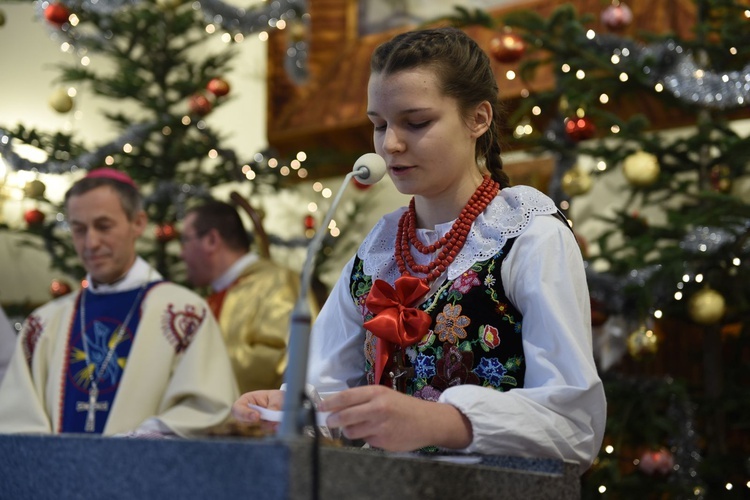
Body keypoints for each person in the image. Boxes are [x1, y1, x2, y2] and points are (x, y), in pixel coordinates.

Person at [232, 26, 606, 472]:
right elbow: (327, 388)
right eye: (379, 125)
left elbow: (574, 424)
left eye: (416, 122)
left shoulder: (527, 236)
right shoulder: (379, 250)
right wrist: (290, 408)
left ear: (478, 118)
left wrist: (443, 422)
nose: (390, 144)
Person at [0, 169, 238, 436]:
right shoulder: (45, 323)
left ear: (137, 223)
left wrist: (127, 448)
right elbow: (16, 421)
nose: (91, 242)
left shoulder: (184, 313)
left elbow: (206, 410)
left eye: (104, 226)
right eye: (79, 229)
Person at [180, 200, 300, 394]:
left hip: (260, 419)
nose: (181, 254)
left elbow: (283, 356)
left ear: (211, 240)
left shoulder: (276, 282)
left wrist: (190, 370)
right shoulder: (216, 295)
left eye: (185, 240)